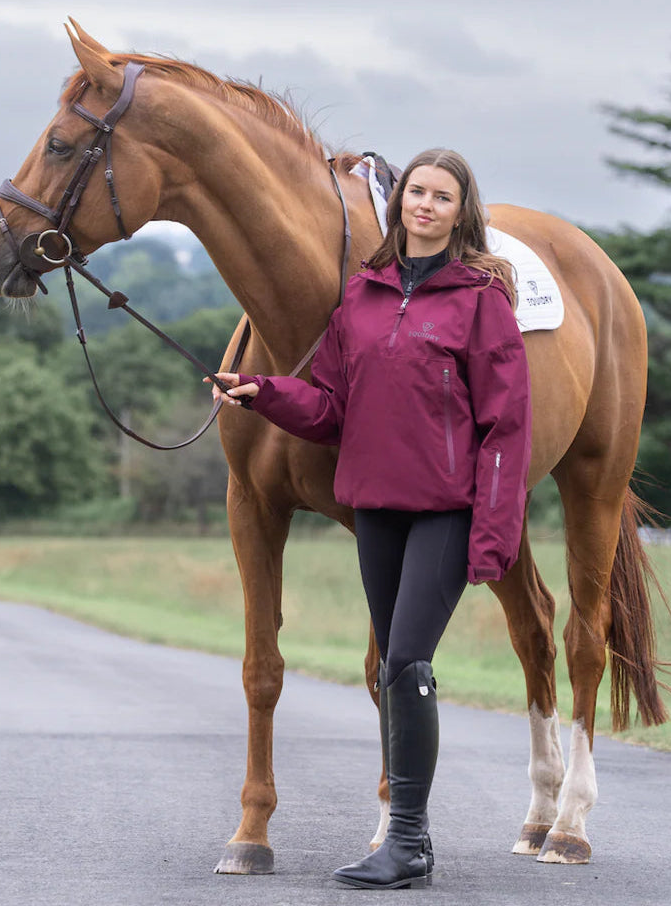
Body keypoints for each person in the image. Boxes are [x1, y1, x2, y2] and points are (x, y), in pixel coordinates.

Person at [208, 148, 532, 890]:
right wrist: (263, 391)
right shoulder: (362, 297)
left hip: (446, 512)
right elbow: (330, 408)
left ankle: (408, 840)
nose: (425, 205)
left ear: (460, 211)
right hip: (377, 508)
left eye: (441, 197)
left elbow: (508, 426)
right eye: (416, 192)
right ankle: (407, 842)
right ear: (400, 204)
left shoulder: (481, 298)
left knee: (406, 665)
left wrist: (494, 533)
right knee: (392, 669)